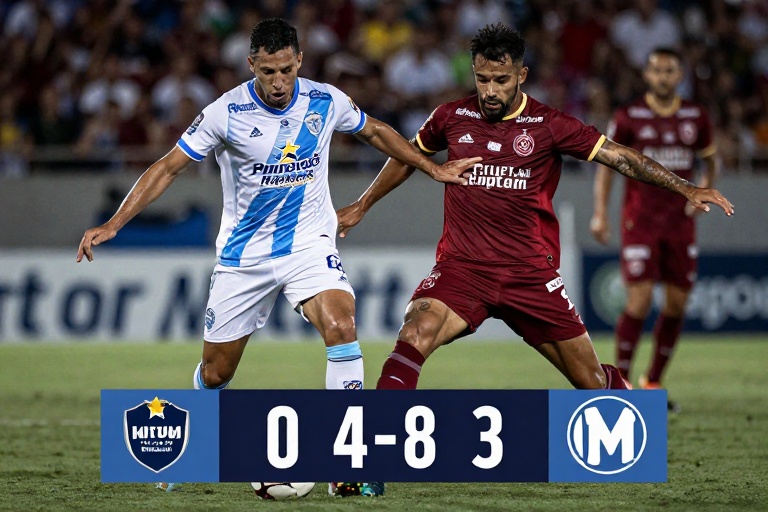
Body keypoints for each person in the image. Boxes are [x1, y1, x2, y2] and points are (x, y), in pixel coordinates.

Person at [76, 18, 477, 494]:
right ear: (251, 65)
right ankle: (193, 440)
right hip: (244, 257)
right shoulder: (225, 113)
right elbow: (168, 168)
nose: (279, 81)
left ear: (299, 60)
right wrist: (115, 223)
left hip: (309, 244)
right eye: (268, 71)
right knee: (216, 372)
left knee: (342, 324)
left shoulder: (325, 100)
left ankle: (348, 461)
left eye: (287, 69)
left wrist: (431, 168)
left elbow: (375, 132)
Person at [336, 23, 733, 393]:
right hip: (463, 268)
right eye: (482, 79)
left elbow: (621, 157)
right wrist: (362, 204)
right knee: (414, 332)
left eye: (501, 80)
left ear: (521, 75)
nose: (490, 91)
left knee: (592, 381)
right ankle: (378, 438)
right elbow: (407, 156)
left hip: (529, 274)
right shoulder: (451, 117)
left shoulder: (549, 124)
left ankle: (634, 408)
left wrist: (684, 187)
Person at [589, 48, 720, 410]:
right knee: (639, 300)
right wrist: (600, 213)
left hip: (679, 223)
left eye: (669, 70)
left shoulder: (696, 116)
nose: (663, 77)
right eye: (657, 70)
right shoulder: (628, 116)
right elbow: (606, 166)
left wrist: (704, 192)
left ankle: (653, 381)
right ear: (646, 75)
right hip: (640, 221)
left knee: (677, 303)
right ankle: (621, 384)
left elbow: (711, 161)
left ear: (680, 75)